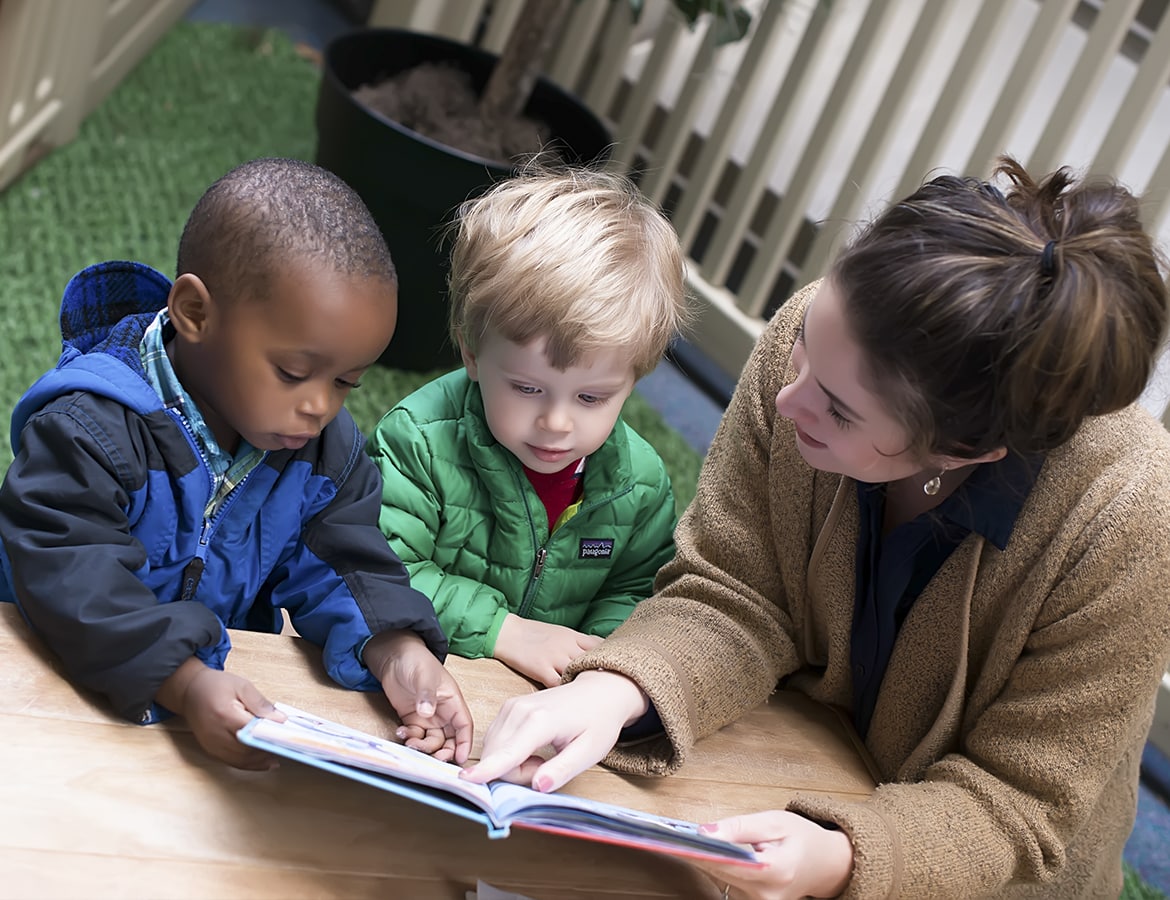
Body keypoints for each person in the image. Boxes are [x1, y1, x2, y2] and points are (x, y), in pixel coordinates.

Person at [460, 157, 1170, 898]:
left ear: (965, 451)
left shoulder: (1130, 516)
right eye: (802, 350)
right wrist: (618, 690)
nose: (789, 398)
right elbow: (735, 588)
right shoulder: (815, 337)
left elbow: (1019, 807)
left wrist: (843, 858)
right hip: (783, 765)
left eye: (838, 410)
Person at [0, 157, 472, 771]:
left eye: (347, 382)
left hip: (198, 725)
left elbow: (344, 563)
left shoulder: (322, 452)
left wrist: (397, 648)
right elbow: (73, 575)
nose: (320, 406)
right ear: (195, 313)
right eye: (293, 373)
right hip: (41, 697)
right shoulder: (87, 431)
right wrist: (183, 679)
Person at [366, 166, 687, 688]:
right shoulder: (419, 441)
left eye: (591, 397)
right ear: (472, 354)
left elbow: (634, 590)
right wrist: (503, 631)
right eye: (527, 388)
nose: (557, 422)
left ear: (633, 381)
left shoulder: (640, 483)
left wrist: (598, 660)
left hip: (543, 707)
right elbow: (380, 565)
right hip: (428, 680)